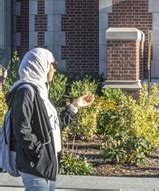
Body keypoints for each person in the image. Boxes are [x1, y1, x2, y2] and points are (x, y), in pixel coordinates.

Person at [5, 47, 94, 190]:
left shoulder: (41, 92)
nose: (55, 70)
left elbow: (53, 126)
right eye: (53, 65)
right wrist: (39, 152)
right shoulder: (25, 91)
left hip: (47, 162)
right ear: (41, 64)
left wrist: (75, 106)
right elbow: (21, 129)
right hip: (35, 164)